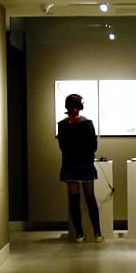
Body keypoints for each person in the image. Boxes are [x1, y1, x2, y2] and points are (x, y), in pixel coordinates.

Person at [56, 93, 103, 242]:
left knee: (74, 200)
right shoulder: (87, 123)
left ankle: (79, 234)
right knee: (90, 198)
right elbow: (94, 146)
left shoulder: (62, 125)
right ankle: (97, 233)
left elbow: (62, 147)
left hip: (69, 165)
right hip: (86, 164)